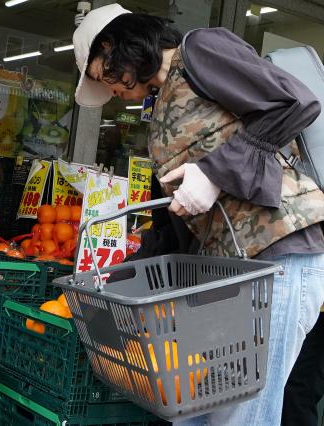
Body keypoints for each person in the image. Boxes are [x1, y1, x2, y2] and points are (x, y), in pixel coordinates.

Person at [73, 4, 324, 426]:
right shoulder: (159, 110)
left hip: (279, 252)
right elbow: (178, 222)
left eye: (102, 75)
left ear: (113, 46)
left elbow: (295, 103)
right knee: (193, 412)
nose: (108, 89)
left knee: (245, 415)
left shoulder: (200, 50)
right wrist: (117, 279)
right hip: (227, 271)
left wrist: (213, 174)